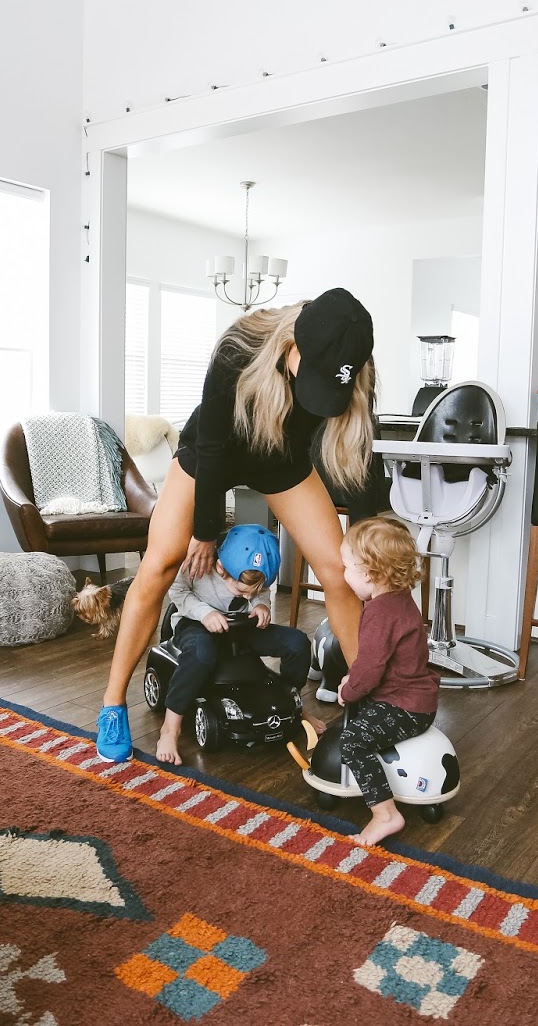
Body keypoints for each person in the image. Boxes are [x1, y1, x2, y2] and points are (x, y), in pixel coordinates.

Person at [96, 288, 377, 762]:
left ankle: (368, 705)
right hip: (214, 452)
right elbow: (212, 448)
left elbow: (364, 459)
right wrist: (205, 532)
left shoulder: (355, 366)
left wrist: (368, 544)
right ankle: (112, 704)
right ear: (292, 345)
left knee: (339, 569)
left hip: (282, 460)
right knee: (161, 563)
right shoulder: (240, 347)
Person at [155, 524, 325, 765]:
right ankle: (170, 728)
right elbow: (178, 592)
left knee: (296, 643)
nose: (246, 596)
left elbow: (259, 592)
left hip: (241, 627)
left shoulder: (252, 583)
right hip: (195, 624)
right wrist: (204, 613)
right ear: (221, 568)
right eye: (241, 591)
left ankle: (293, 704)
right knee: (201, 653)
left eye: (253, 591)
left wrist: (260, 604)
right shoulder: (198, 561)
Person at [334, 516, 439, 846]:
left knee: (352, 741)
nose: (343, 574)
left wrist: (349, 690)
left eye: (347, 567)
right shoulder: (399, 598)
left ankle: (385, 815)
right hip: (412, 699)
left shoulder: (380, 612)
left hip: (405, 707)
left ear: (368, 573)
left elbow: (370, 668)